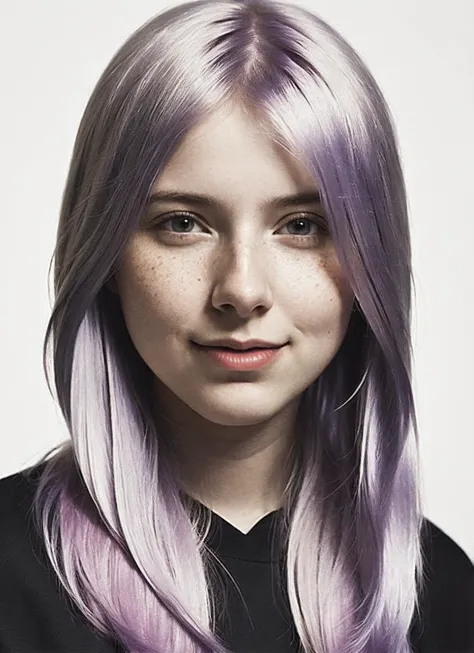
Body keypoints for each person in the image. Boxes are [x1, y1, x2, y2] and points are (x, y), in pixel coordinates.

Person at [0, 0, 472, 652]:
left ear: (372, 259)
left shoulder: (443, 594)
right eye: (182, 222)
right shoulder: (9, 574)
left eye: (302, 225)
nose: (242, 290)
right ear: (105, 253)